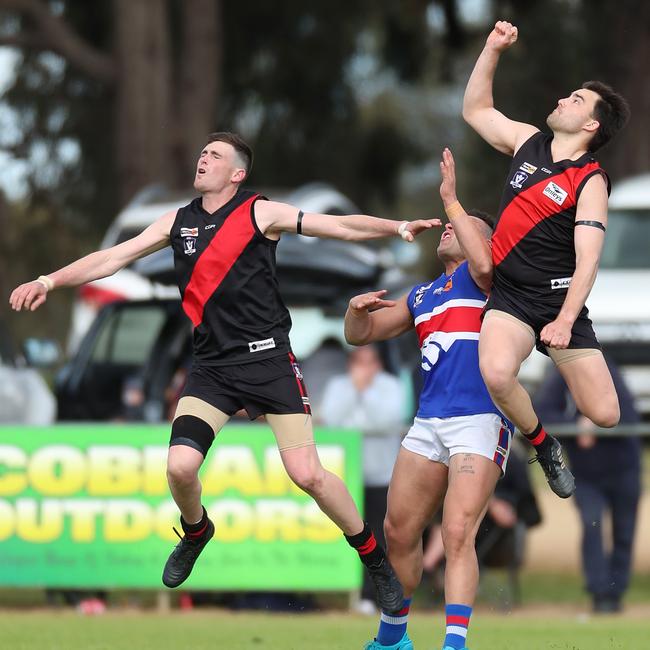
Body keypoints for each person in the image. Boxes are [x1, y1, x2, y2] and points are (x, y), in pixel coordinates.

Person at [9, 131, 442, 612]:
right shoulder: (177, 222)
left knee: (309, 476)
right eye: (202, 152)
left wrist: (396, 226)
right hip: (213, 368)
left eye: (214, 155)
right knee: (179, 467)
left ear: (237, 174)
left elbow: (338, 226)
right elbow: (112, 258)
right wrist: (49, 279)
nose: (203, 158)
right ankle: (196, 530)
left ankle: (373, 561)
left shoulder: (261, 212)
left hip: (271, 361)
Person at [348, 149, 513, 650]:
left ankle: (454, 644)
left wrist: (451, 198)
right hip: (428, 423)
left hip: (479, 420)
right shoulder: (423, 295)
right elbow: (363, 335)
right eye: (447, 222)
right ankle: (394, 637)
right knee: (398, 532)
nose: (447, 228)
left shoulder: (488, 280)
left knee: (458, 530)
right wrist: (355, 312)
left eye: (460, 226)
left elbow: (483, 258)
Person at [462, 20, 631, 499]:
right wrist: (492, 48)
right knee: (496, 372)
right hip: (512, 298)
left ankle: (566, 368)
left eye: (577, 100)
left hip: (561, 305)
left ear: (592, 125)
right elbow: (475, 109)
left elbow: (588, 261)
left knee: (606, 413)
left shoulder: (590, 180)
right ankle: (543, 443)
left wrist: (564, 321)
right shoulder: (526, 142)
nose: (564, 100)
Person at [534, 357, 641, 614]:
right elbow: (540, 414)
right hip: (586, 475)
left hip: (625, 470)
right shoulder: (562, 376)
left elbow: (628, 415)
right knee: (591, 525)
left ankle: (616, 593)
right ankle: (599, 593)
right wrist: (576, 424)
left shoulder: (610, 372)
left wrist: (594, 421)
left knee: (624, 534)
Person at [319, 344, 405, 614]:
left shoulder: (391, 386)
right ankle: (353, 591)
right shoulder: (338, 386)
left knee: (380, 534)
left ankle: (375, 596)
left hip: (382, 474)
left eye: (369, 361)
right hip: (346, 475)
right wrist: (355, 391)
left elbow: (387, 420)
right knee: (352, 532)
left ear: (378, 363)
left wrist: (364, 393)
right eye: (359, 361)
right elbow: (332, 419)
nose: (364, 368)